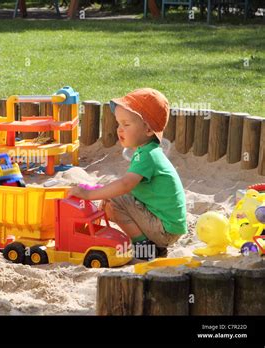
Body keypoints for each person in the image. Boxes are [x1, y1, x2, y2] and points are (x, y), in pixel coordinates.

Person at [68, 88, 187, 260]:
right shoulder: (147, 151)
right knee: (112, 199)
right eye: (118, 124)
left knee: (116, 198)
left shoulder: (147, 155)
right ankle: (152, 246)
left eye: (126, 124)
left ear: (147, 129)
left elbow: (125, 185)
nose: (119, 130)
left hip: (164, 229)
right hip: (166, 225)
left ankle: (143, 246)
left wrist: (88, 194)